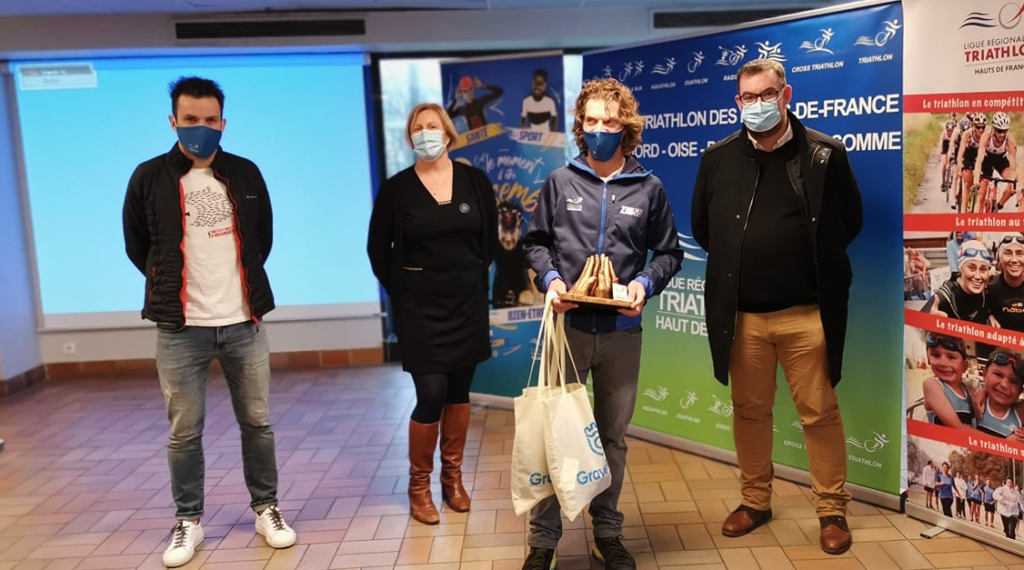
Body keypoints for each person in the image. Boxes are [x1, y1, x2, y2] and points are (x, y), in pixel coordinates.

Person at [122, 76, 295, 568]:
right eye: (191, 119)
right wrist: (168, 286)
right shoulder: (148, 177)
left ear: (223, 122)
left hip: (243, 322)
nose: (201, 127)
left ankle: (266, 509)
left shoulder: (245, 173)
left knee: (257, 423)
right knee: (184, 432)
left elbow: (262, 240)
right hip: (180, 329)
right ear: (173, 121)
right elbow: (138, 245)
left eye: (210, 119)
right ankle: (188, 521)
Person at [690, 58, 862, 555]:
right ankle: (755, 501)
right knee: (749, 411)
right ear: (737, 102)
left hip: (806, 314)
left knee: (820, 413)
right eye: (749, 97)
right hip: (743, 318)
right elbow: (705, 230)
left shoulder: (825, 155)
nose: (758, 104)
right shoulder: (717, 159)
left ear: (786, 96)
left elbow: (848, 222)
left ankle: (831, 509)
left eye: (768, 94)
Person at [521, 77, 683, 570]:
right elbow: (535, 242)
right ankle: (543, 542)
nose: (599, 129)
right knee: (554, 435)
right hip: (567, 332)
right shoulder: (561, 181)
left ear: (625, 127)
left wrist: (645, 285)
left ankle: (607, 533)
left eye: (609, 121)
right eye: (591, 120)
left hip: (621, 336)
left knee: (612, 438)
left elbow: (669, 253)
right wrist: (551, 280)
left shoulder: (649, 188)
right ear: (580, 125)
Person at [367, 103, 498, 525]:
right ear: (410, 138)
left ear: (448, 133)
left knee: (459, 392)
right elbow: (377, 250)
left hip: (467, 305)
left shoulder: (475, 182)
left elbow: (489, 243)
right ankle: (419, 485)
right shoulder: (396, 189)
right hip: (419, 310)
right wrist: (404, 292)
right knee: (430, 394)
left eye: (433, 126)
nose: (426, 133)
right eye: (418, 128)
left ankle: (452, 479)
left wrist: (472, 283)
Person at [923, 240, 995, 325]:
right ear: (961, 269)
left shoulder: (985, 293)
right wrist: (927, 322)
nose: (978, 276)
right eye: (971, 268)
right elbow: (914, 326)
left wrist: (990, 315)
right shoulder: (945, 295)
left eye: (983, 269)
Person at [921, 333, 974, 429]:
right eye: (936, 355)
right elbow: (959, 429)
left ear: (965, 366)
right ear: (928, 359)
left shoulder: (969, 391)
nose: (943, 363)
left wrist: (983, 392)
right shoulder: (931, 385)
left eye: (951, 357)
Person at [972, 348, 1024, 440]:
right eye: (998, 374)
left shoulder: (1020, 413)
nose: (1004, 385)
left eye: (1013, 382)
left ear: (1020, 391)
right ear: (984, 374)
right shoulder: (971, 399)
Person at [981, 113, 1019, 212]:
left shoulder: (1011, 141)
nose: (1002, 134)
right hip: (987, 160)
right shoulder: (986, 136)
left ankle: (998, 206)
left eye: (1005, 131)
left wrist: (1013, 182)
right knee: (982, 191)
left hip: (1001, 160)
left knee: (1013, 184)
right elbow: (979, 159)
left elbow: (1013, 165)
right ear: (993, 128)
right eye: (999, 130)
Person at [987, 234, 1024, 331]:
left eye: (1020, 253)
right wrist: (988, 316)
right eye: (1008, 253)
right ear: (1000, 259)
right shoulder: (991, 288)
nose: (1014, 260)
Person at [957, 114, 987, 213]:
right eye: (978, 127)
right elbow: (961, 152)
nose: (981, 130)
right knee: (967, 183)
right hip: (969, 154)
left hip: (981, 155)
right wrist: (959, 166)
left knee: (983, 183)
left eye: (983, 127)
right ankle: (964, 210)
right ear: (973, 126)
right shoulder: (967, 134)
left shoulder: (987, 135)